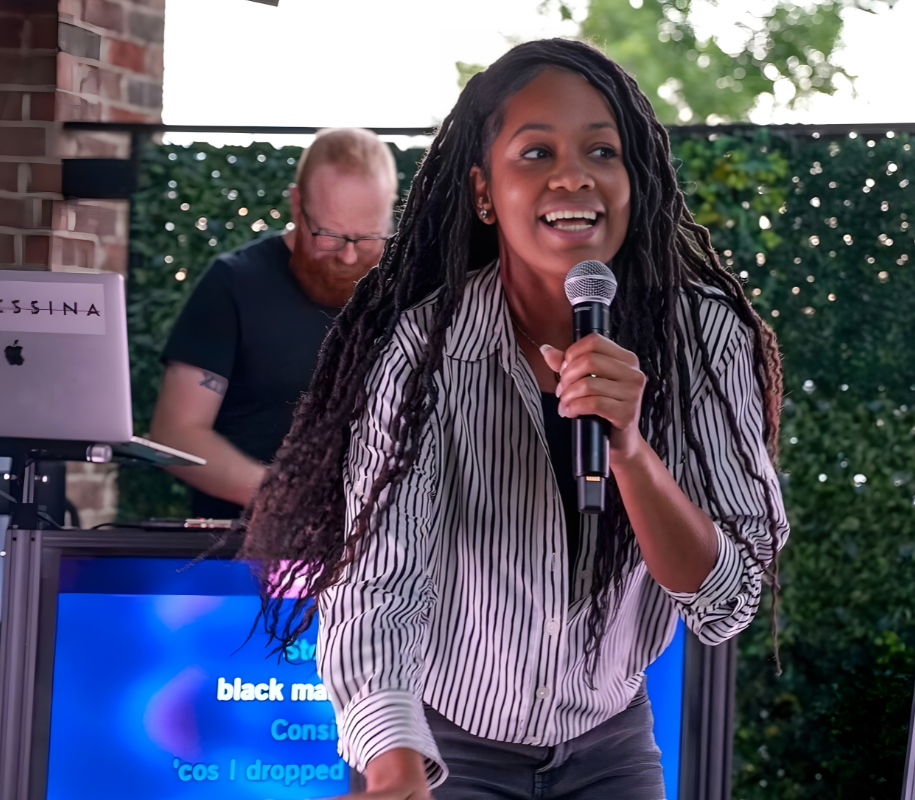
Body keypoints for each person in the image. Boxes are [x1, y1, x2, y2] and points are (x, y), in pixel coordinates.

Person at [243, 39, 788, 800]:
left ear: (634, 182)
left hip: (609, 743)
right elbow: (377, 582)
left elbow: (728, 599)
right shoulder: (425, 353)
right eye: (536, 152)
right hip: (445, 738)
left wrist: (630, 449)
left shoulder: (701, 340)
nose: (574, 174)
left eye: (603, 149)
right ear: (484, 193)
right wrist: (395, 763)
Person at [149, 129, 398, 519]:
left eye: (367, 237)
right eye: (330, 235)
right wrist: (287, 498)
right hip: (241, 552)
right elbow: (175, 435)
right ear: (298, 205)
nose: (349, 257)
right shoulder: (234, 284)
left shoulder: (410, 292)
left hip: (381, 558)